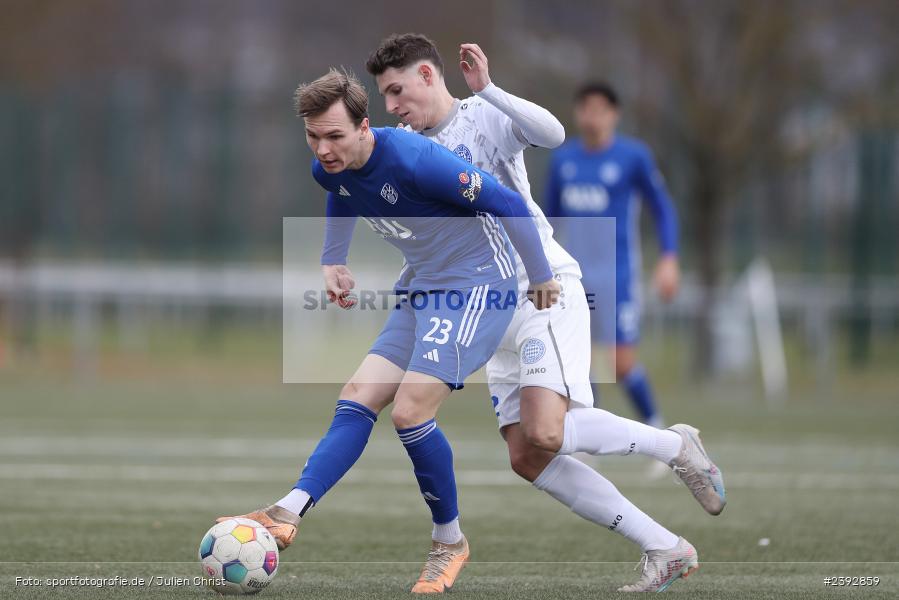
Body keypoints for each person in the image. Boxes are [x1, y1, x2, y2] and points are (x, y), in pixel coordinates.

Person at [366, 34, 725, 592]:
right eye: (384, 96)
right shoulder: (409, 146)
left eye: (396, 91)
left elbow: (553, 134)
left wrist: (490, 89)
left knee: (545, 433)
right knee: (524, 456)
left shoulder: (482, 115)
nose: (391, 106)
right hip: (480, 307)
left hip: (541, 290)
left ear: (428, 76)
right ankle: (665, 547)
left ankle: (675, 445)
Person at [218, 67, 560, 594]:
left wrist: (540, 278)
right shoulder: (326, 167)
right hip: (424, 286)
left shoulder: (415, 160)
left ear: (364, 126)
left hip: (477, 285)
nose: (324, 149)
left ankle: (449, 540)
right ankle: (288, 509)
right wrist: (333, 259)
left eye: (335, 135)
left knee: (409, 410)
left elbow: (509, 203)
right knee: (357, 396)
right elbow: (339, 188)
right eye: (313, 136)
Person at [545, 81, 680, 431]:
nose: (592, 116)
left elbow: (662, 208)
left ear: (614, 115)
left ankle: (658, 430)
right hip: (575, 276)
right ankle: (588, 442)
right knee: (579, 363)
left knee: (620, 364)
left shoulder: (633, 157)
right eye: (585, 108)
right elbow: (548, 219)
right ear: (576, 113)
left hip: (618, 275)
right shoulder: (563, 161)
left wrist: (669, 258)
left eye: (600, 109)